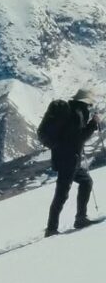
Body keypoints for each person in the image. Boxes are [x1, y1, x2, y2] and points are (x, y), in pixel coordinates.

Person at [45, 88, 101, 236]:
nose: (90, 106)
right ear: (85, 102)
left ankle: (80, 218)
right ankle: (52, 228)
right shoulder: (77, 114)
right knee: (62, 194)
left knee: (86, 182)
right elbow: (80, 138)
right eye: (89, 103)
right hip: (69, 160)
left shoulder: (72, 111)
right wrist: (93, 124)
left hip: (65, 158)